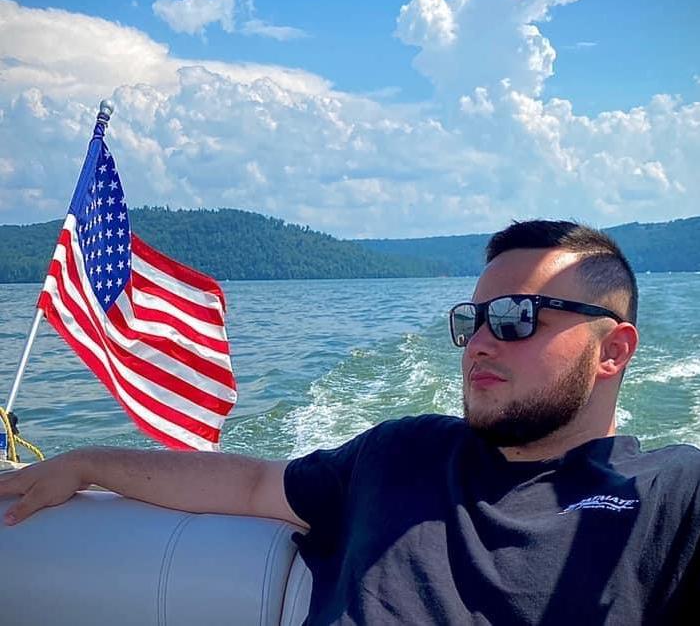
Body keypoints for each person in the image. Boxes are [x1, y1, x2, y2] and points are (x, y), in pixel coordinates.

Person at [0, 219, 698, 624]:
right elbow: (249, 486)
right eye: (472, 320)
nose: (480, 343)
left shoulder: (670, 495)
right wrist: (86, 463)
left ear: (613, 351)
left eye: (517, 318)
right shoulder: (402, 453)